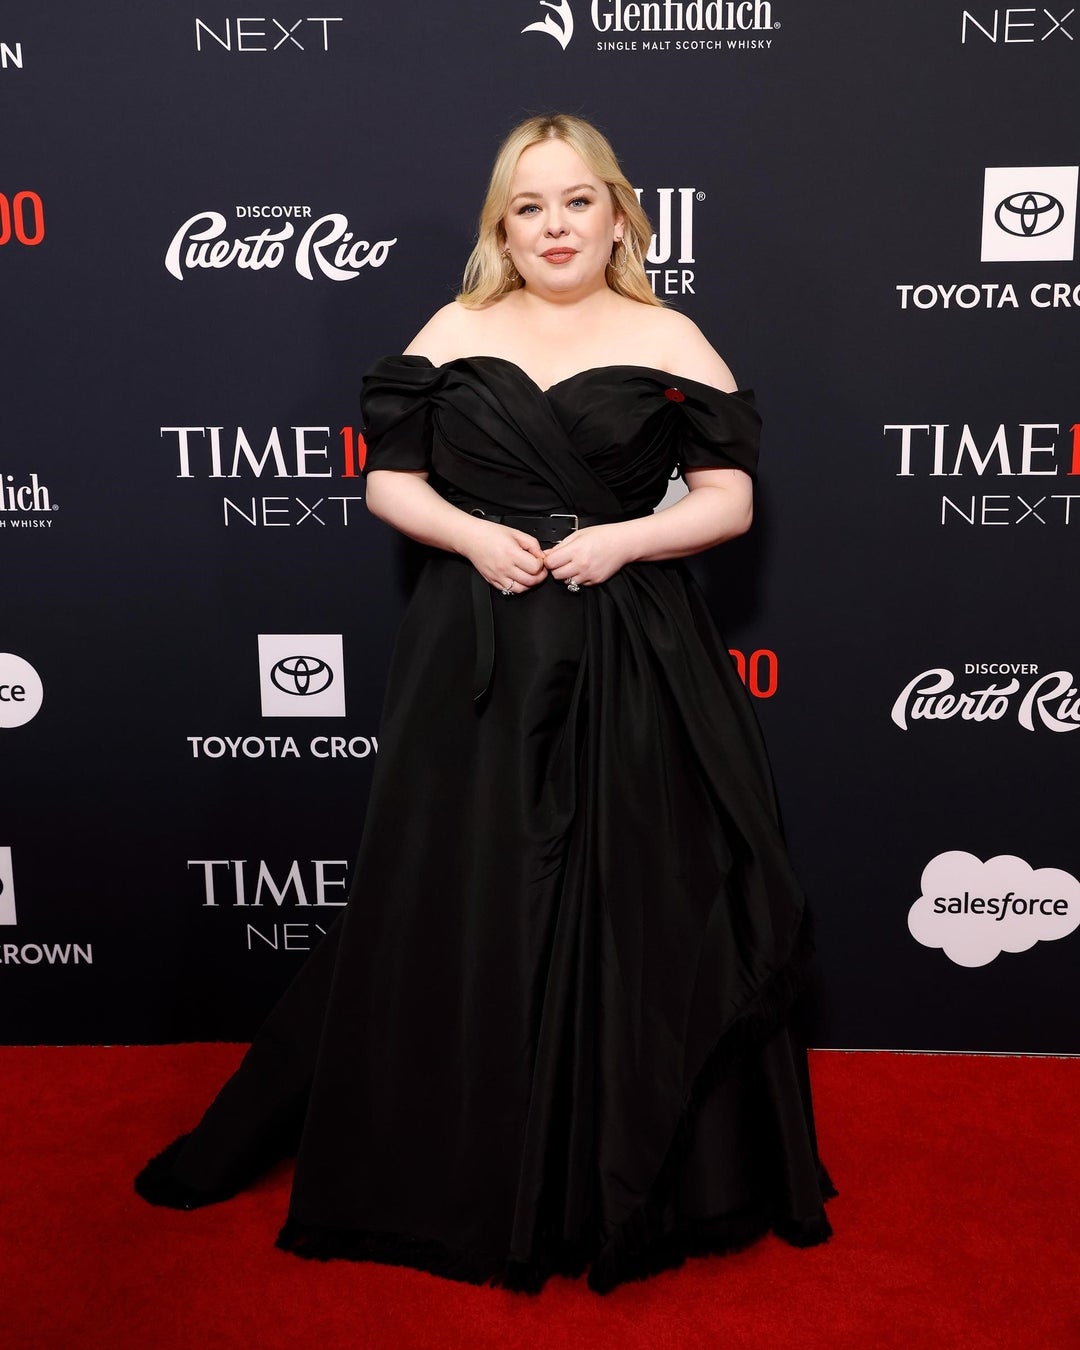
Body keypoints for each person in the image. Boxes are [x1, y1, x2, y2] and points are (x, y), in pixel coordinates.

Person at [136, 113, 835, 1295]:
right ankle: (460, 1161)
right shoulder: (455, 327)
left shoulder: (670, 335)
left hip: (630, 645)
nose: (555, 226)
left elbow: (729, 501)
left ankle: (619, 1177)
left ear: (619, 214)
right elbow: (390, 484)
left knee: (633, 899)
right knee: (463, 890)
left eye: (577, 201)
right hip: (477, 641)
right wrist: (470, 536)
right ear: (501, 227)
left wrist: (623, 541)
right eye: (529, 206)